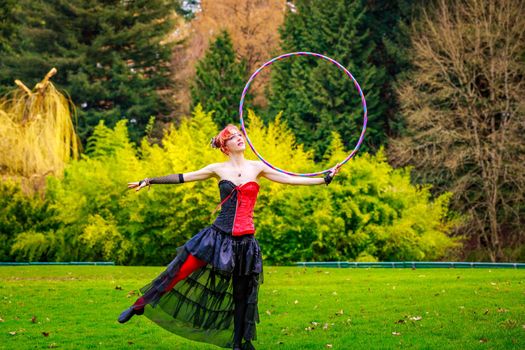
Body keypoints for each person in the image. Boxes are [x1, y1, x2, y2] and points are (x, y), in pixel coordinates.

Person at [117, 124, 340, 350]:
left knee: (242, 295)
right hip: (217, 238)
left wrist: (324, 179)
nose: (239, 139)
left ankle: (239, 343)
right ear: (226, 147)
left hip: (245, 243)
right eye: (233, 137)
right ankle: (139, 305)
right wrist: (149, 180)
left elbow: (292, 179)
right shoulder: (217, 169)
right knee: (179, 270)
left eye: (240, 135)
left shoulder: (257, 167)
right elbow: (184, 177)